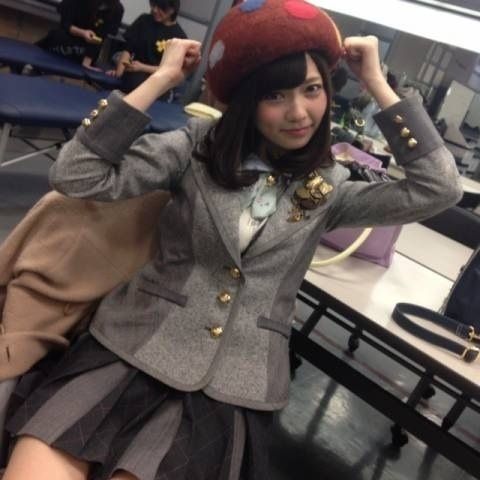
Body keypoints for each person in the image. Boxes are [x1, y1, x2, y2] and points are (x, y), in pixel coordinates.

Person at [3, 1, 462, 479]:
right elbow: (76, 174)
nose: (299, 113)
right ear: (246, 100)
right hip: (129, 347)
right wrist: (160, 79)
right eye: (275, 96)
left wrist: (378, 84)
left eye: (312, 89)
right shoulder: (196, 148)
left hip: (230, 384)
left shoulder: (331, 188)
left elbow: (439, 188)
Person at [108, 0, 187, 98]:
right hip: (132, 76)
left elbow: (169, 70)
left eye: (161, 8)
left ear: (172, 10)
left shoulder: (179, 38)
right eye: (153, 5)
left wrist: (142, 67)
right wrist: (118, 73)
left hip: (155, 86)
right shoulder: (144, 20)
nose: (155, 10)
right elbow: (128, 50)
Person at [37, 0, 124, 69]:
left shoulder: (116, 9)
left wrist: (86, 62)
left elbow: (101, 36)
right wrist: (82, 33)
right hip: (63, 40)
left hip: (86, 51)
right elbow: (65, 24)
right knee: (55, 38)